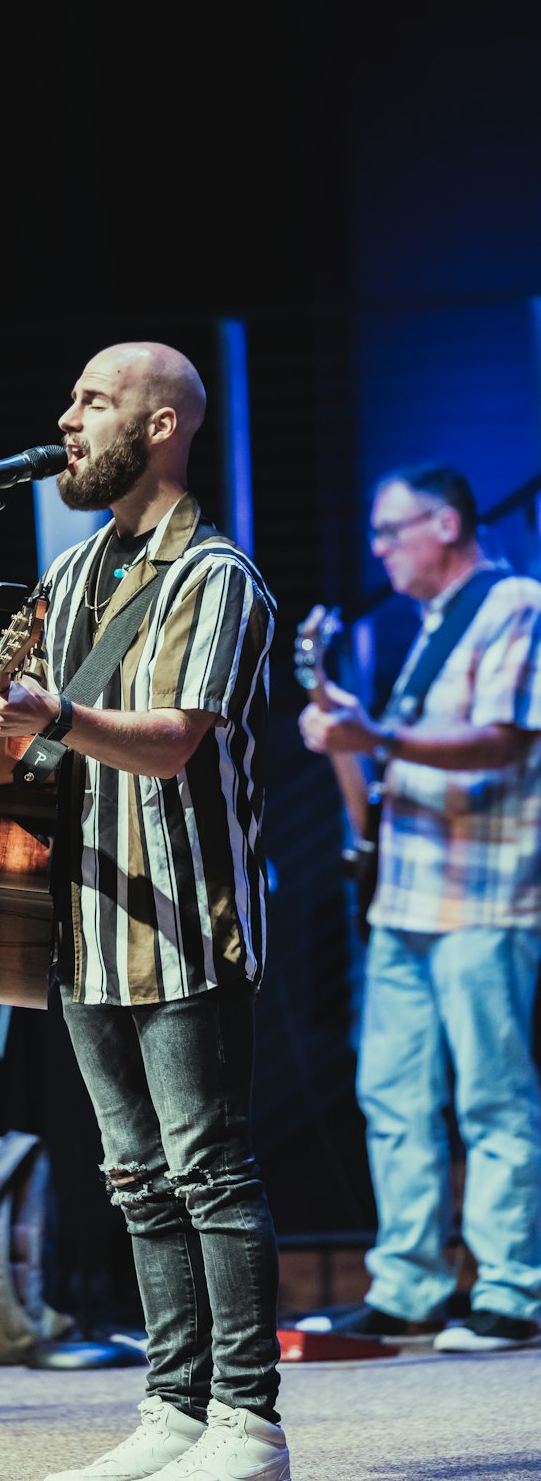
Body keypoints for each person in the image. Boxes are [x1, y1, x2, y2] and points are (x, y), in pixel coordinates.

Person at [0, 343, 291, 1481]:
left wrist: (53, 716)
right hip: (74, 915)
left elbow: (176, 741)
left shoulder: (218, 576)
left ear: (163, 424)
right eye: (72, 402)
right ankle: (174, 1410)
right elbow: (7, 692)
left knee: (207, 1169)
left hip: (180, 915)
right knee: (132, 1175)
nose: (68, 420)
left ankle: (246, 1420)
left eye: (93, 401)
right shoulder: (73, 568)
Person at [298, 463, 541, 1353]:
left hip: (486, 895)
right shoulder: (431, 630)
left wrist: (377, 734)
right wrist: (342, 742)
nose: (379, 549)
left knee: (493, 1097)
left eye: (391, 530)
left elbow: (504, 741)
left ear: (444, 524)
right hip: (403, 902)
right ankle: (408, 1287)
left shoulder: (516, 603)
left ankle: (511, 1291)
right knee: (393, 1096)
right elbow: (380, 802)